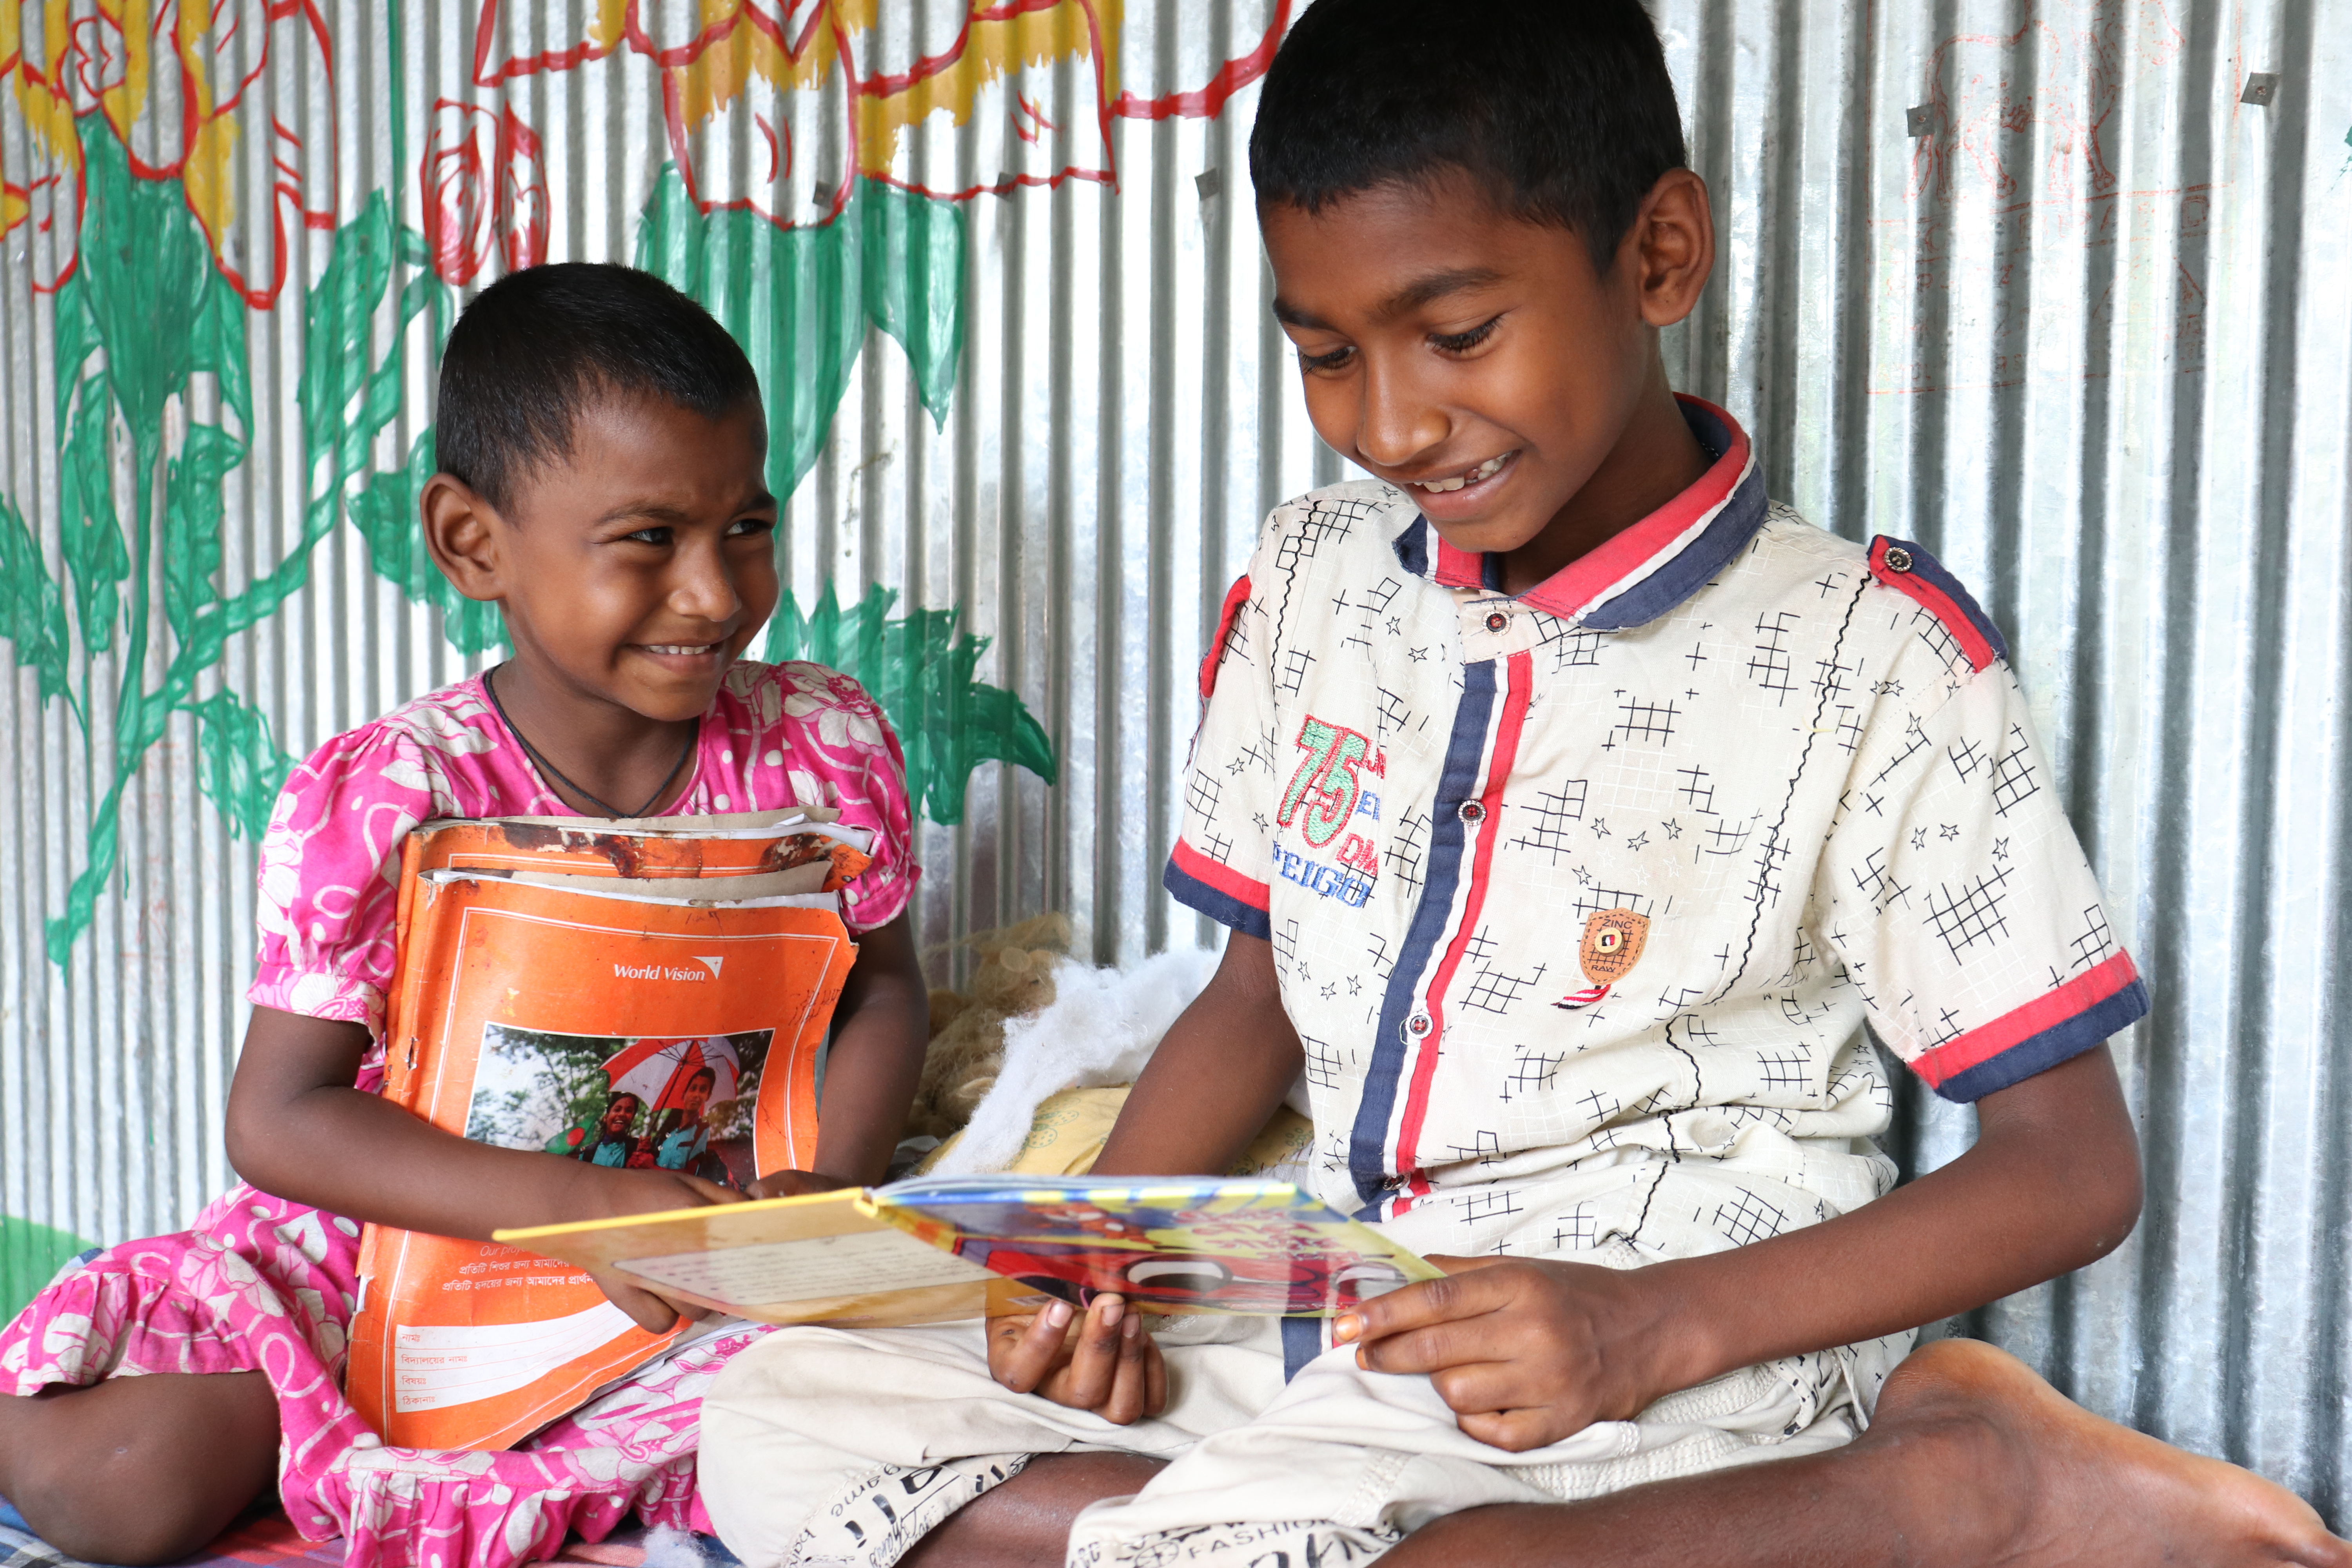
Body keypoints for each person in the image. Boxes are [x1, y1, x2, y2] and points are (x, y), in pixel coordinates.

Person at [693, 5, 2351, 1566]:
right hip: (1344, 1292)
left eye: (1456, 331)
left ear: (1656, 253)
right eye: (1326, 349)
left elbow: (2068, 1165)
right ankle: (1277, 1525)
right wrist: (1082, 1276)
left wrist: (1651, 1324)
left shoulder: (1872, 653)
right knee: (768, 1424)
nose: (1395, 420)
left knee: (1263, 1524)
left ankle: (1957, 1485)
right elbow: (1252, 999)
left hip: (1679, 1325)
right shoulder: (1311, 584)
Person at [0, 263, 932, 1568]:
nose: (717, 593)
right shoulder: (397, 796)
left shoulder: (821, 746)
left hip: (687, 1255)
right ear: (471, 541)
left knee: (824, 1433)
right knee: (127, 1486)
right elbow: (279, 1119)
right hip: (404, 1250)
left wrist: (818, 1200)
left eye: (747, 526)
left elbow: (885, 989)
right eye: (650, 540)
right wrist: (583, 1214)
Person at [654, 1069, 719, 1172]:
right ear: (684, 1092)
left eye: (703, 1090)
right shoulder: (668, 1127)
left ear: (708, 1096)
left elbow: (690, 1174)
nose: (696, 1095)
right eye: (693, 1088)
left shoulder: (702, 1130)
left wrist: (651, 1167)